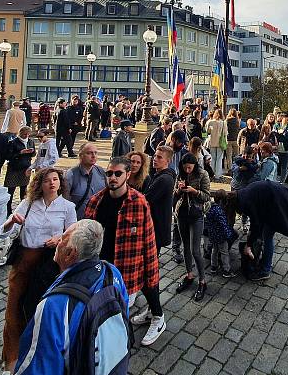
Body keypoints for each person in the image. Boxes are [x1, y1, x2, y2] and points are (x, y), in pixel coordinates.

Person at [13, 219, 128, 375]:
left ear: (70, 254)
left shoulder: (54, 306)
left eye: (63, 238)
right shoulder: (112, 272)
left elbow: (38, 367)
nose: (59, 240)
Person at [0, 168, 76, 372]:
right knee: (14, 312)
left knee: (40, 313)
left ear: (60, 183)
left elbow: (72, 236)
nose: (52, 183)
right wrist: (10, 222)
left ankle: (39, 358)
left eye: (55, 179)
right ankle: (11, 362)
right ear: (39, 184)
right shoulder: (29, 204)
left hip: (48, 266)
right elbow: (5, 231)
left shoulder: (67, 207)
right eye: (47, 180)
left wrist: (60, 238)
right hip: (24, 262)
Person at [84, 157, 166, 346]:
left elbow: (148, 238)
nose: (112, 177)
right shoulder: (96, 201)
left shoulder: (138, 202)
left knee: (147, 285)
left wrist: (151, 265)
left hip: (130, 260)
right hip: (104, 261)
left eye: (118, 173)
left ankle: (158, 317)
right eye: (109, 173)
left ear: (127, 175)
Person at [226, 180, 288, 281]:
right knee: (263, 233)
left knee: (268, 236)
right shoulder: (242, 194)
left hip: (278, 202)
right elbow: (257, 219)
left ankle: (265, 270)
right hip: (276, 197)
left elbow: (256, 224)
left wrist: (248, 246)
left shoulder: (246, 202)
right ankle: (264, 261)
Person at [173, 153, 211, 302]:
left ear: (195, 165)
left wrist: (194, 191)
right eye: (185, 167)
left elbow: (207, 196)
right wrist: (179, 189)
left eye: (190, 167)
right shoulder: (180, 174)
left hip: (196, 214)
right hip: (182, 214)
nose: (187, 170)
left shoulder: (203, 174)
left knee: (196, 250)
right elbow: (175, 194)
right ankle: (189, 274)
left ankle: (203, 280)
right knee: (186, 248)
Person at [144, 146, 176, 252]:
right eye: (155, 156)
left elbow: (146, 199)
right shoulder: (160, 174)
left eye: (159, 157)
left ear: (168, 160)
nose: (155, 159)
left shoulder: (164, 179)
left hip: (156, 227)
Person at [64, 142, 106, 220]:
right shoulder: (71, 174)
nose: (93, 156)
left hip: (98, 220)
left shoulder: (100, 171)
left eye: (95, 153)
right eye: (89, 153)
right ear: (80, 156)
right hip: (78, 222)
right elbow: (65, 202)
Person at [4, 126, 36, 214]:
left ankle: (22, 210)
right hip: (14, 169)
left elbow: (33, 154)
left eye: (28, 134)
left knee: (24, 190)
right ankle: (8, 211)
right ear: (20, 133)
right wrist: (20, 153)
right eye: (25, 134)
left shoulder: (30, 141)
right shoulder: (13, 142)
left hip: (25, 168)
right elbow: (8, 156)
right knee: (10, 191)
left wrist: (32, 152)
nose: (26, 136)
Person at [204, 109, 227, 179]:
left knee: (213, 158)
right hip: (220, 143)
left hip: (212, 142)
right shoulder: (223, 123)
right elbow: (225, 133)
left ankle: (212, 172)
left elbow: (207, 131)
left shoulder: (210, 122)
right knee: (219, 159)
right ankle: (218, 174)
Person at [274, 113, 288, 184]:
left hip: (286, 149)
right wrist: (283, 135)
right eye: (285, 117)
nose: (287, 119)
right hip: (277, 149)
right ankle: (275, 179)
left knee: (284, 166)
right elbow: (274, 135)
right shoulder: (276, 125)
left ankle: (282, 181)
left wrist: (281, 135)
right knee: (276, 165)